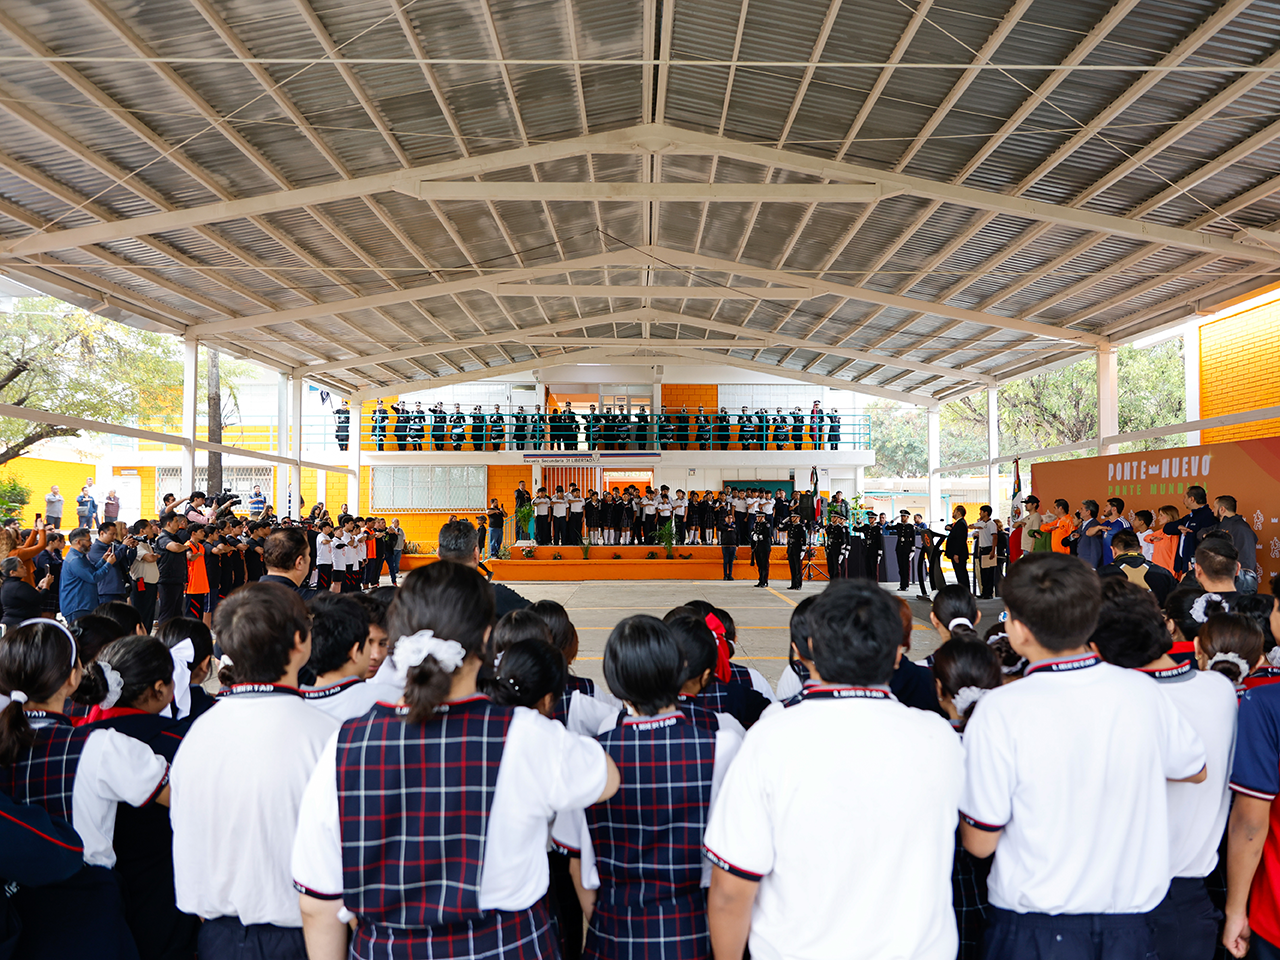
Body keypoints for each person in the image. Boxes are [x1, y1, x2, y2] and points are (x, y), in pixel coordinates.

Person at [292, 561, 620, 960]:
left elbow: (318, 901)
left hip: (388, 949)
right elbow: (606, 779)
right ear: (486, 638)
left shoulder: (345, 745)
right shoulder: (526, 734)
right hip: (503, 946)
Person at [959, 553, 1207, 960]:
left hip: (1036, 927)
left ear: (1019, 630)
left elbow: (981, 843)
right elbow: (1195, 770)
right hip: (1133, 923)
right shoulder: (1142, 692)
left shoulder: (1003, 709)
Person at [704, 579, 964, 960]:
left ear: (808, 649)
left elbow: (730, 890)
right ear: (896, 654)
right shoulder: (939, 738)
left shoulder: (771, 738)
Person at [554, 615, 741, 960]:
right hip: (692, 934)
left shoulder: (587, 756)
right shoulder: (722, 747)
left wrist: (608, 924)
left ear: (614, 681)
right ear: (678, 669)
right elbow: (730, 866)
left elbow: (577, 864)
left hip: (612, 934)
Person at [170, 583, 339, 960]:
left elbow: (187, 837)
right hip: (305, 936)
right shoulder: (327, 736)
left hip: (217, 937)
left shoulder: (198, 734)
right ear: (301, 640)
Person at [0, 620, 172, 960]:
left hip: (11, 913)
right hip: (85, 913)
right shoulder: (102, 747)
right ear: (73, 678)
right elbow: (186, 797)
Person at [300, 593, 383, 721]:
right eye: (368, 642)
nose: (375, 654)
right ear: (355, 651)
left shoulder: (289, 708)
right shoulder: (386, 702)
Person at [438, 518, 530, 618]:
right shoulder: (497, 596)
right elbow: (544, 619)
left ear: (438, 554)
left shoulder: (423, 597)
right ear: (476, 554)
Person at [1099, 529, 1178, 605]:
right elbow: (1175, 605)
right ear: (1141, 549)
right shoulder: (1164, 573)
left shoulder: (1101, 574)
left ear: (1113, 550)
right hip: (1154, 618)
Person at [59, 526, 118, 623]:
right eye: (88, 540)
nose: (91, 543)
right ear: (78, 542)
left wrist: (103, 560)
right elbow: (93, 577)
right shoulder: (75, 560)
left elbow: (92, 571)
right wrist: (109, 564)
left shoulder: (80, 556)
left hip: (83, 604)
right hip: (78, 606)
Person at [1164, 485, 1216, 576]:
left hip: (1198, 566)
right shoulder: (1189, 517)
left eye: (1185, 497)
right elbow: (1167, 528)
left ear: (1192, 499)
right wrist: (1178, 527)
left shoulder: (1208, 516)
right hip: (1185, 564)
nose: (1183, 501)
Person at [1, 556, 54, 629]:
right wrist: (46, 585)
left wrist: (39, 587)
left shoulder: (8, 585)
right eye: (21, 567)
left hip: (13, 623)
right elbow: (39, 599)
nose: (25, 568)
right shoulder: (18, 586)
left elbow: (29, 596)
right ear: (12, 572)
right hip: (21, 625)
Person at [971, 505, 997, 599]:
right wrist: (978, 524)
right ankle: (984, 592)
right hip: (982, 549)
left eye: (981, 512)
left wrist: (993, 550)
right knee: (983, 572)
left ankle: (988, 593)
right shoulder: (981, 523)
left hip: (988, 548)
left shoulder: (991, 524)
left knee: (989, 572)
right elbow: (971, 526)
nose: (980, 513)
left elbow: (994, 536)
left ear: (986, 512)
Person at [944, 505, 970, 591]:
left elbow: (960, 540)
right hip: (956, 553)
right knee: (959, 574)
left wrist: (956, 554)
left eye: (954, 511)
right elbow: (948, 526)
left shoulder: (961, 524)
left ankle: (965, 592)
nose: (953, 513)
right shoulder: (957, 523)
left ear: (958, 513)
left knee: (961, 574)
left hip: (959, 554)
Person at [785, 514, 807, 590]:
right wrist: (785, 521)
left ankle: (798, 584)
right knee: (792, 567)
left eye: (794, 517)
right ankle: (793, 584)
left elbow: (804, 539)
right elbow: (780, 527)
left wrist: (803, 550)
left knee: (798, 568)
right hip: (791, 548)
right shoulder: (791, 526)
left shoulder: (801, 527)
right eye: (792, 517)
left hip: (798, 548)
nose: (792, 518)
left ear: (798, 518)